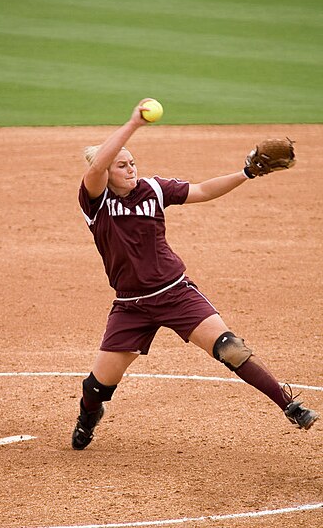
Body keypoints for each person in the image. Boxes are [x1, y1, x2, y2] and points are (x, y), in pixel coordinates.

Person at [72, 98, 319, 450]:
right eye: (122, 165)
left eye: (133, 162)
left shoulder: (153, 189)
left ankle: (289, 405)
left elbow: (201, 190)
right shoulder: (95, 202)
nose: (131, 169)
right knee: (96, 388)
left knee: (229, 348)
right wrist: (133, 124)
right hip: (131, 305)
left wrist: (246, 174)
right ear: (107, 172)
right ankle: (88, 416)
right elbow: (96, 165)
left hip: (175, 293)